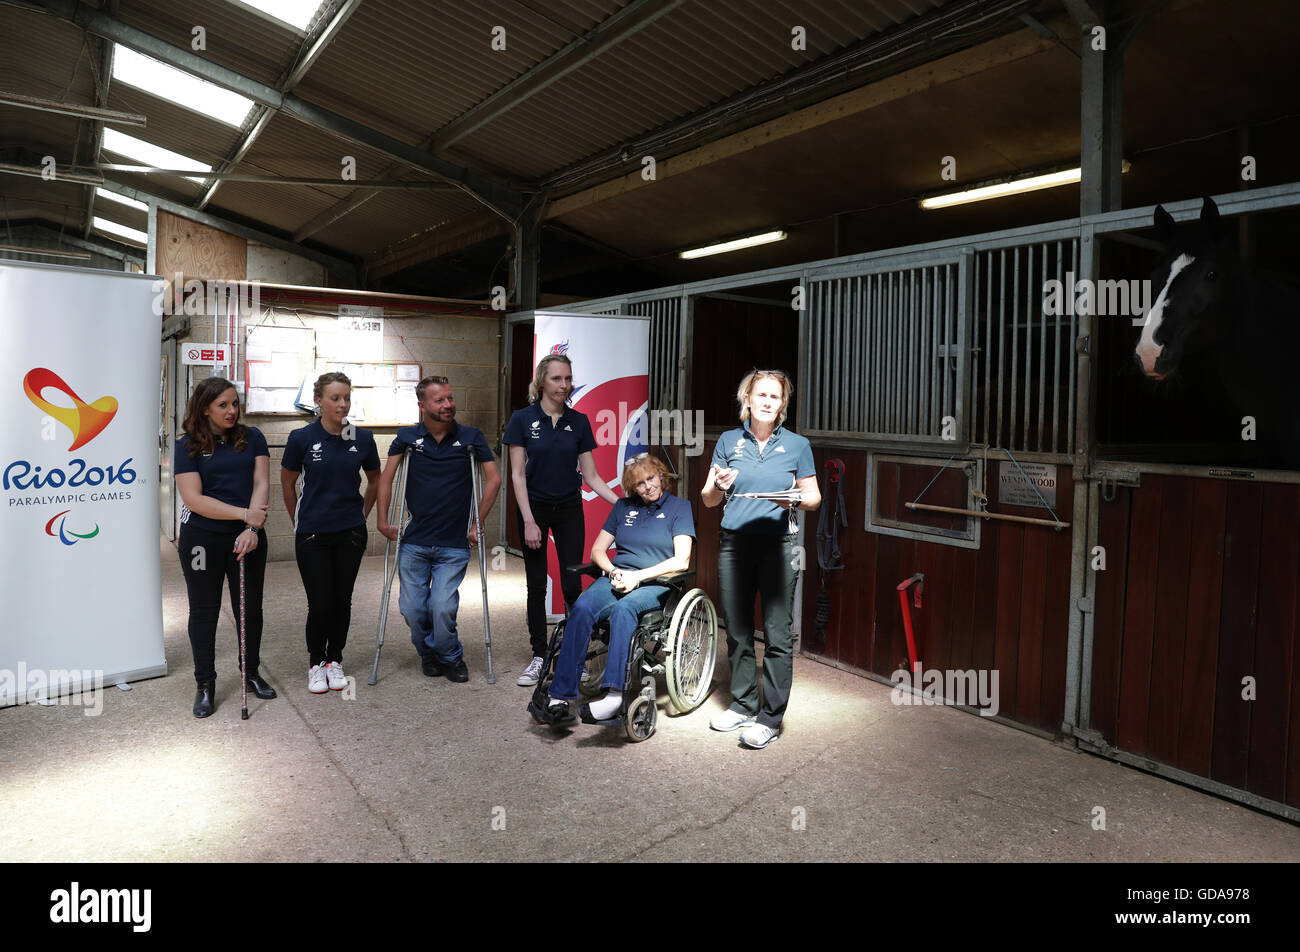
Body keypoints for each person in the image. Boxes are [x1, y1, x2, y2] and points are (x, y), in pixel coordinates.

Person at [700, 370, 821, 749]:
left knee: (777, 632)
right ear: (747, 400)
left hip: (778, 547)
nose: (768, 401)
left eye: (775, 396)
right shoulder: (728, 441)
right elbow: (707, 499)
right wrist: (717, 485)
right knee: (736, 628)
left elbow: (814, 497)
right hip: (734, 544)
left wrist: (795, 499)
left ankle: (770, 717)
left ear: (782, 404)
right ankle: (743, 703)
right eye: (761, 395)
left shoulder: (799, 445)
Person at [528, 453, 694, 726]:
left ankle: (614, 695)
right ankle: (559, 694)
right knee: (581, 607)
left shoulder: (680, 507)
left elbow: (681, 560)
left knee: (624, 610)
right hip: (617, 576)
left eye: (651, 478)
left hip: (655, 582)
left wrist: (637, 577)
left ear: (661, 476)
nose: (648, 486)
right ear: (632, 488)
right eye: (640, 483)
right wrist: (612, 570)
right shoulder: (623, 508)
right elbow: (597, 550)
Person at [503, 353, 621, 688]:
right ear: (542, 381)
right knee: (537, 585)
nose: (564, 385)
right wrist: (527, 521)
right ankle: (540, 655)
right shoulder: (522, 420)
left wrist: (623, 503)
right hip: (534, 509)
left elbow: (593, 477)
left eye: (567, 379)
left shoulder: (579, 421)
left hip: (569, 507)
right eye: (557, 379)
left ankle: (574, 655)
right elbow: (517, 475)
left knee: (573, 585)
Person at [377, 376, 500, 683]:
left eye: (450, 398)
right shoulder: (407, 438)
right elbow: (387, 478)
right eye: (440, 400)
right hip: (415, 541)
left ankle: (450, 656)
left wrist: (477, 522)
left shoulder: (471, 437)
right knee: (412, 609)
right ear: (422, 406)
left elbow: (494, 479)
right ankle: (428, 653)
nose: (448, 405)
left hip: (453, 544)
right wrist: (381, 520)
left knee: (442, 607)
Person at [173, 376, 275, 718]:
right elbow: (194, 499)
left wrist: (251, 526)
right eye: (223, 405)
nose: (232, 411)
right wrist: (245, 514)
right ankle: (205, 683)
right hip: (202, 539)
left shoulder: (253, 437)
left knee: (250, 609)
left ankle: (251, 673)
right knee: (204, 611)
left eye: (235, 404)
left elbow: (261, 483)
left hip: (248, 538)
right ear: (205, 408)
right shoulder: (186, 444)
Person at [280, 372, 382, 694]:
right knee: (320, 602)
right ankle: (315, 663)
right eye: (335, 398)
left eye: (346, 398)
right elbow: (287, 483)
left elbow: (376, 481)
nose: (342, 404)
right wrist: (299, 520)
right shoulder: (302, 438)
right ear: (319, 401)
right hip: (312, 534)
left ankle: (334, 659)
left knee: (342, 601)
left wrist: (360, 516)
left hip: (350, 533)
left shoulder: (361, 439)